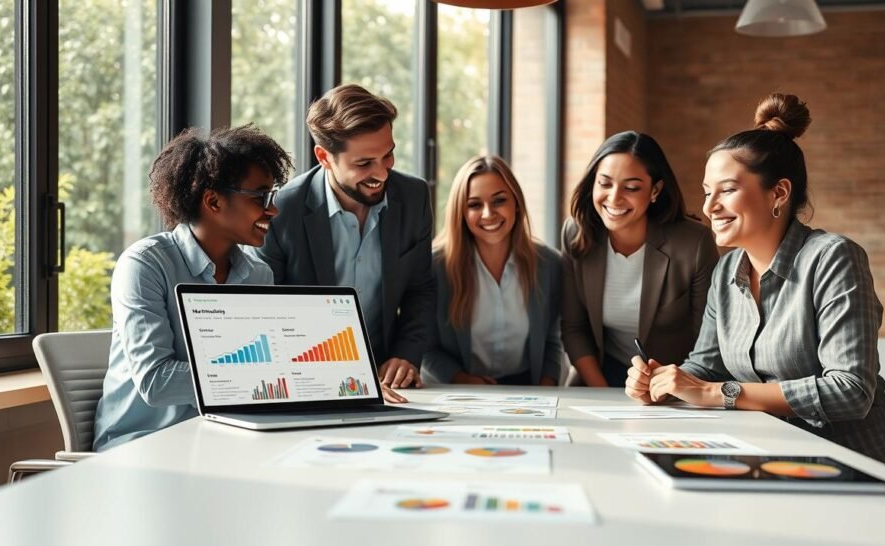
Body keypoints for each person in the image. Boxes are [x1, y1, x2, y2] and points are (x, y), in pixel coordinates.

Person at [624, 94, 885, 467]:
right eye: (708, 192)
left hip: (843, 464)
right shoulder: (726, 272)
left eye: (727, 190)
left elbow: (850, 391)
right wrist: (663, 384)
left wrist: (718, 392)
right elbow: (707, 369)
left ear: (779, 193)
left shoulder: (833, 257)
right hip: (764, 453)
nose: (709, 207)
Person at [93, 124, 293, 450]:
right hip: (139, 445)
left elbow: (264, 371)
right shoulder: (145, 265)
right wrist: (261, 376)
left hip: (220, 440)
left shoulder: (259, 274)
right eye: (260, 197)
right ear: (213, 201)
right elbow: (157, 382)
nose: (273, 209)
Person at [252, 84, 434, 401]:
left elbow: (420, 289)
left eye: (388, 155)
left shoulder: (414, 196)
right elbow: (267, 311)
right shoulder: (282, 210)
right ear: (324, 157)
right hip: (307, 380)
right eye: (364, 164)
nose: (382, 173)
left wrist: (407, 355)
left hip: (389, 382)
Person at [561, 131, 719, 388]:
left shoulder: (694, 243)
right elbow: (574, 328)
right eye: (604, 183)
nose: (614, 197)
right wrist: (602, 393)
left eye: (631, 187)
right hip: (599, 378)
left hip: (675, 383)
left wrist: (669, 388)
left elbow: (708, 340)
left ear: (655, 190)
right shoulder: (576, 233)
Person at [422, 155, 563, 386]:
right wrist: (462, 380)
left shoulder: (550, 264)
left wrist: (547, 388)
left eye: (499, 201)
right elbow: (425, 347)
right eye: (475, 205)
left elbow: (553, 341)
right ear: (461, 213)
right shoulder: (435, 268)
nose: (488, 214)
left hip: (530, 389)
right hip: (457, 389)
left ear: (516, 203)